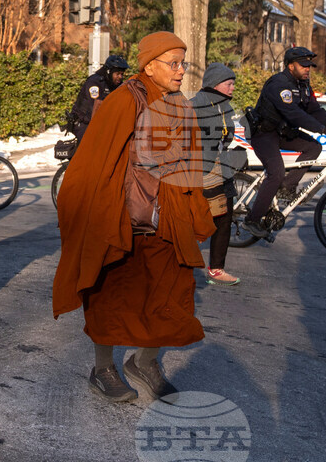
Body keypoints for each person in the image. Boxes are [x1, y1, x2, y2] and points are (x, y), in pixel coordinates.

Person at [52, 31, 214, 403]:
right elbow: (94, 161)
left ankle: (145, 362)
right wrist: (84, 212)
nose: (180, 71)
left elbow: (191, 164)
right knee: (110, 293)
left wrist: (197, 208)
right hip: (123, 219)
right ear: (149, 65)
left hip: (167, 219)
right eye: (173, 63)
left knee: (169, 296)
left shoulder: (181, 105)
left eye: (183, 63)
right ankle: (103, 368)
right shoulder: (125, 100)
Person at [243, 46, 326, 238]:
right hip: (263, 134)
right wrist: (322, 130)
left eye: (310, 65)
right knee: (276, 173)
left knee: (314, 147)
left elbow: (315, 111)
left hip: (282, 133)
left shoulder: (304, 85)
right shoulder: (279, 84)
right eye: (303, 65)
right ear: (290, 66)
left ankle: (287, 187)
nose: (308, 69)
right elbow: (294, 113)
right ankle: (251, 220)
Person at [190, 63, 241, 286]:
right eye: (229, 84)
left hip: (221, 167)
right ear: (215, 84)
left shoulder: (223, 105)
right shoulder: (196, 104)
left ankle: (217, 269)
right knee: (196, 216)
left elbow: (226, 134)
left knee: (225, 216)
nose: (232, 88)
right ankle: (172, 262)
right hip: (201, 169)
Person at [67, 54, 129, 138]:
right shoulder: (95, 82)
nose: (120, 77)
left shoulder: (116, 84)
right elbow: (94, 108)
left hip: (100, 123)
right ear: (108, 71)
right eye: (117, 74)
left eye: (122, 74)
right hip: (83, 123)